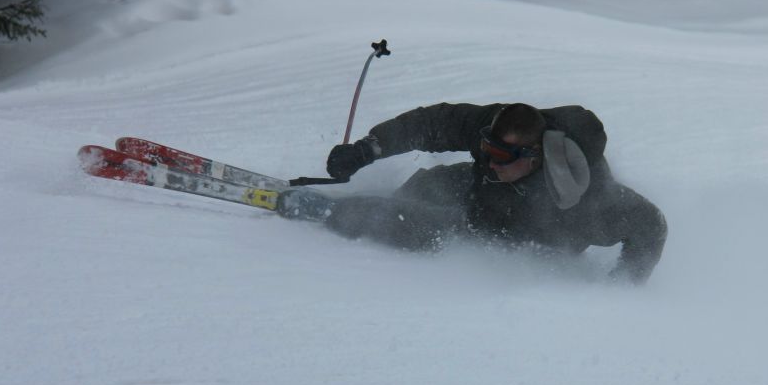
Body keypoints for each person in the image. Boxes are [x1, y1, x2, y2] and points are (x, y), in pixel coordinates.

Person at [276, 102, 667, 283]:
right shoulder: (493, 132)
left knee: (427, 231)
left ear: (533, 157)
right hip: (483, 199)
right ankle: (362, 212)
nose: (491, 160)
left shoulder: (589, 201)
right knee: (428, 185)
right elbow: (431, 124)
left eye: (501, 156)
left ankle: (334, 213)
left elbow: (651, 225)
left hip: (529, 238)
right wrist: (369, 148)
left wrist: (622, 290)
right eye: (486, 151)